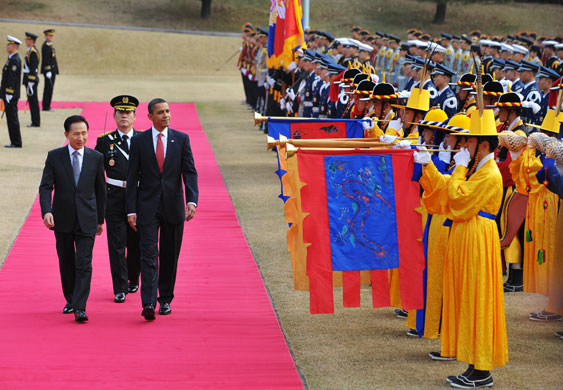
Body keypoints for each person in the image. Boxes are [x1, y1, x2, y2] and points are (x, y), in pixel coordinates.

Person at [415, 110, 508, 388]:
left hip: (478, 238)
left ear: (483, 145)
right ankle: (472, 363)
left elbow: (459, 200)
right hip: (466, 236)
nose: (463, 146)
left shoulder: (489, 174)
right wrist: (428, 165)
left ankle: (482, 369)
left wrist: (456, 167)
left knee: (476, 298)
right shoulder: (477, 169)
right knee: (465, 298)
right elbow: (447, 189)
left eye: (469, 143)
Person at [126, 98, 198, 321]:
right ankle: (148, 302)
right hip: (147, 208)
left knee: (169, 255)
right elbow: (132, 177)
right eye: (160, 112)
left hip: (173, 207)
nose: (166, 115)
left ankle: (165, 299)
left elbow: (190, 172)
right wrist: (131, 210)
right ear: (150, 117)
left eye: (168, 111)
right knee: (148, 255)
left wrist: (192, 200)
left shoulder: (182, 139)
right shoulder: (139, 142)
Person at [39, 115, 106, 322]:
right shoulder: (55, 156)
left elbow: (101, 191)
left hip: (87, 218)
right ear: (67, 134)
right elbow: (45, 187)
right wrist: (47, 211)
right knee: (66, 261)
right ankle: (71, 298)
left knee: (84, 262)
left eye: (84, 133)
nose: (81, 137)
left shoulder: (96, 157)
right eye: (76, 133)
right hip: (63, 218)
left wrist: (100, 220)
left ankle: (80, 306)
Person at [95, 95, 142, 303]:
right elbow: (96, 172)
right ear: (114, 115)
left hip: (139, 198)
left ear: (134, 116)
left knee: (136, 243)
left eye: (128, 112)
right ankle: (120, 287)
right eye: (120, 112)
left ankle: (133, 278)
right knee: (116, 245)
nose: (124, 115)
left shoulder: (143, 139)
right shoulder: (104, 141)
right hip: (113, 197)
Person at [1, 35, 22, 148]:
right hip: (8, 94)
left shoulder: (15, 60)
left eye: (9, 44)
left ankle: (16, 142)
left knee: (12, 118)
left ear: (13, 46)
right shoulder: (11, 59)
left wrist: (9, 92)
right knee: (11, 118)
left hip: (11, 95)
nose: (7, 46)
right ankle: (14, 141)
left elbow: (12, 78)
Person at [23, 32, 40, 127]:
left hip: (31, 81)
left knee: (33, 101)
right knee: (32, 100)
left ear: (31, 41)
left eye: (27, 40)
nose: (26, 41)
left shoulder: (33, 52)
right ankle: (34, 120)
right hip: (29, 80)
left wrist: (31, 81)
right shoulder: (30, 50)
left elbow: (33, 68)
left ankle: (36, 122)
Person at [41, 29, 58, 112]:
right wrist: (48, 70)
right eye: (50, 36)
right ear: (46, 36)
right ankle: (46, 105)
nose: (51, 37)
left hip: (52, 70)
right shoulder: (46, 45)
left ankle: (48, 105)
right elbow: (46, 59)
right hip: (49, 71)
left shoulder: (50, 45)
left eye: (52, 36)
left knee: (50, 88)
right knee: (48, 88)